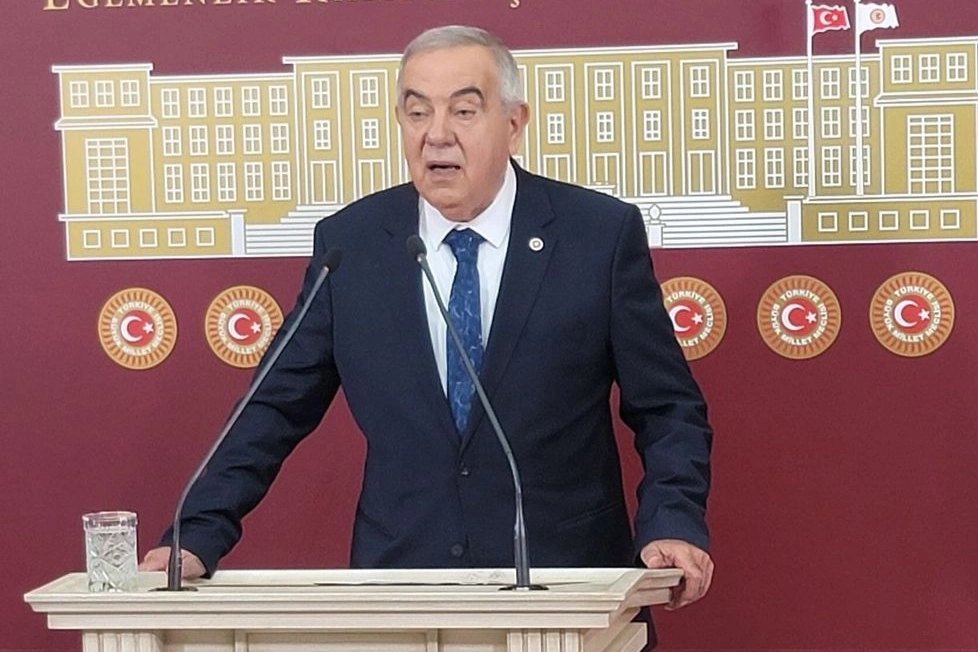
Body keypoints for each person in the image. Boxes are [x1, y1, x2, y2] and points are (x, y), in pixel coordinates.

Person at [141, 24, 714, 628]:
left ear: (514, 123)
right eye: (417, 113)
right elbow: (273, 408)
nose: (436, 134)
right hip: (401, 590)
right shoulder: (352, 246)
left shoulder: (596, 235)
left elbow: (668, 406)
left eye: (463, 111)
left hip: (566, 587)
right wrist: (196, 532)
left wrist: (672, 521)